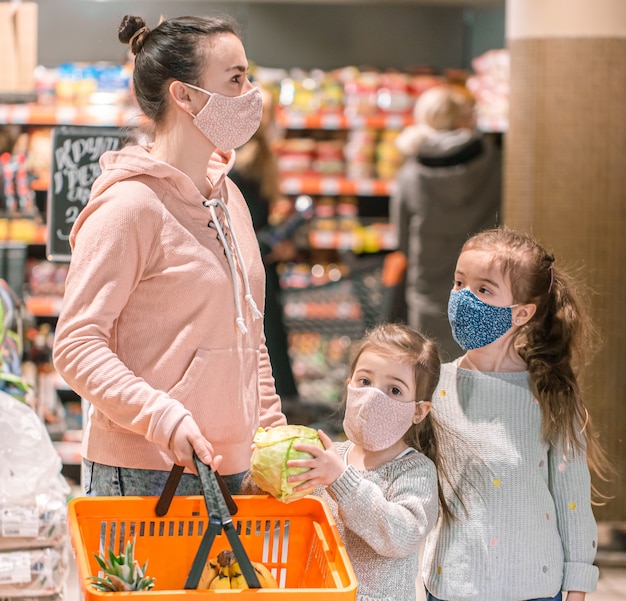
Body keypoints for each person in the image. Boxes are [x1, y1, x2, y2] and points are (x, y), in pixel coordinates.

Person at [51, 14, 286, 497]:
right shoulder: (129, 205)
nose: (252, 94)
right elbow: (76, 344)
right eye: (236, 79)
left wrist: (271, 432)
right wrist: (161, 417)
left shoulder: (229, 199)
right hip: (148, 471)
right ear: (185, 96)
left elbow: (249, 334)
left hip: (235, 468)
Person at [423, 226, 612, 601]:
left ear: (522, 313)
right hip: (453, 586)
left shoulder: (551, 394)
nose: (463, 299)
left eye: (483, 289)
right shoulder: (434, 387)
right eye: (459, 283)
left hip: (536, 588)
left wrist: (577, 585)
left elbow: (572, 499)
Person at [246, 322, 460, 601]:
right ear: (349, 385)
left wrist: (340, 480)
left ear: (419, 411)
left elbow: (402, 535)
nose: (373, 396)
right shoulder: (328, 455)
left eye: (394, 390)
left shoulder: (415, 471)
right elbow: (274, 514)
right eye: (365, 381)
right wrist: (264, 474)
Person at [390, 84, 502, 361]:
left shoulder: (411, 174)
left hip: (429, 288)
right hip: (487, 285)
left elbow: (402, 237)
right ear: (465, 119)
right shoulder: (498, 163)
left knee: (432, 371)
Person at [229, 86, 300, 404]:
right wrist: (271, 240)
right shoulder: (245, 164)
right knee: (265, 346)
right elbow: (234, 228)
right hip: (252, 273)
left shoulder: (250, 160)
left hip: (250, 271)